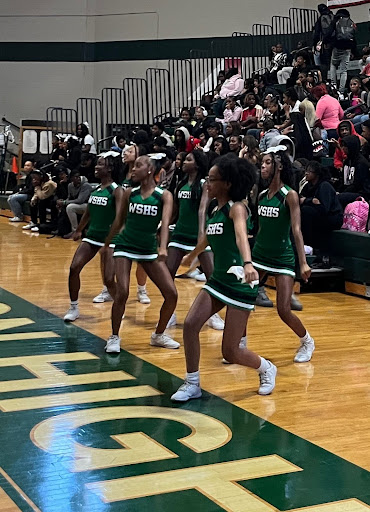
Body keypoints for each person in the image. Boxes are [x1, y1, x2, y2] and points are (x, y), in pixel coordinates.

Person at [171, 154, 277, 402]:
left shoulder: (237, 208)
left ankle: (266, 368)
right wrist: (193, 256)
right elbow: (209, 237)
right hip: (218, 280)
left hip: (240, 281)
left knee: (230, 351)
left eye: (212, 179)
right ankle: (192, 383)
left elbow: (241, 236)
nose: (208, 182)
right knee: (190, 325)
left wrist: (249, 263)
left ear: (227, 183)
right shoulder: (214, 208)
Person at [104, 154, 179, 352]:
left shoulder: (164, 195)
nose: (133, 169)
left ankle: (159, 335)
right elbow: (119, 221)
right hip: (125, 245)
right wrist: (107, 243)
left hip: (147, 248)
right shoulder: (129, 193)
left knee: (171, 294)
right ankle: (114, 337)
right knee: (123, 291)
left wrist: (163, 247)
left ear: (150, 170)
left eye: (138, 166)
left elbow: (164, 224)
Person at [252, 146, 314, 363]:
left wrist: (303, 264)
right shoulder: (261, 195)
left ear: (278, 166)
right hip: (260, 255)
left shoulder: (290, 195)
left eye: (267, 162)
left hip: (283, 257)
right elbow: (260, 229)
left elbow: (296, 231)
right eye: (262, 162)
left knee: (283, 309)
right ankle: (237, 344)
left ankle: (307, 341)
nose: (263, 166)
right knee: (243, 299)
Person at [166, 150, 224, 330]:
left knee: (212, 276)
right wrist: (164, 225)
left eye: (188, 159)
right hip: (179, 234)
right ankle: (169, 313)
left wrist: (201, 239)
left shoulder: (203, 184)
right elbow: (175, 210)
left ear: (197, 164)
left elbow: (202, 211)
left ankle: (213, 315)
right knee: (167, 276)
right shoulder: (180, 183)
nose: (183, 162)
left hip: (198, 235)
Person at [63, 151, 123, 324]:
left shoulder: (116, 190)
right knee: (74, 268)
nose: (96, 167)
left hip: (110, 240)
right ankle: (74, 307)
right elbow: (88, 212)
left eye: (100, 164)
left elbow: (120, 217)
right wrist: (79, 230)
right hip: (92, 237)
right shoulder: (96, 189)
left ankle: (119, 306)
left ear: (110, 168)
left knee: (109, 279)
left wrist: (112, 239)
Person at [300, 161, 343, 266]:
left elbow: (324, 208)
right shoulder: (307, 186)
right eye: (306, 171)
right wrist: (310, 201)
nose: (306, 173)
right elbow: (300, 199)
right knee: (304, 212)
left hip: (333, 217)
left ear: (316, 174)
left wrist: (308, 201)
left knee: (306, 212)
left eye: (309, 171)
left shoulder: (325, 186)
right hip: (319, 215)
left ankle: (313, 248)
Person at [57, 170, 92, 239]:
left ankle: (75, 231)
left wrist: (64, 202)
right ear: (71, 179)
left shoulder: (85, 185)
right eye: (76, 177)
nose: (78, 178)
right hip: (78, 205)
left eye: (79, 177)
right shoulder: (70, 185)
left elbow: (80, 200)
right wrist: (62, 202)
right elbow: (69, 198)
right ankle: (60, 229)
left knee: (70, 207)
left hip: (88, 205)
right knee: (63, 206)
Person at [328, 9, 357, 93]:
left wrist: (327, 43)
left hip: (337, 47)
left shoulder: (336, 21)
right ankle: (341, 90)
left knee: (333, 65)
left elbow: (329, 32)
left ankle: (334, 86)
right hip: (347, 48)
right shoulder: (351, 22)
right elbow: (354, 37)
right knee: (344, 70)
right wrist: (354, 51)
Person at [338, 135, 370, 207]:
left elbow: (357, 184)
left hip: (361, 193)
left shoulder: (362, 163)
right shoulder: (347, 161)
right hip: (348, 190)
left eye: (345, 146)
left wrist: (341, 193)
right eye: (342, 146)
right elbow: (342, 180)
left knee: (339, 198)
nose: (343, 148)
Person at [313, 4, 334, 78]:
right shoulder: (332, 16)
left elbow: (317, 33)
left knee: (325, 63)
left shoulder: (321, 19)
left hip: (325, 43)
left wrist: (315, 44)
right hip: (335, 42)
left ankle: (325, 78)